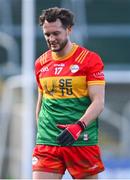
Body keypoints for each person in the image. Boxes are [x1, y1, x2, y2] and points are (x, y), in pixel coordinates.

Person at [32, 7, 105, 179]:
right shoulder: (40, 63)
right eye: (47, 34)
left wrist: (78, 126)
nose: (51, 39)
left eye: (56, 33)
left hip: (81, 140)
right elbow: (41, 100)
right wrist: (42, 133)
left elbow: (99, 102)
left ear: (69, 29)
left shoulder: (89, 60)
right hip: (48, 142)